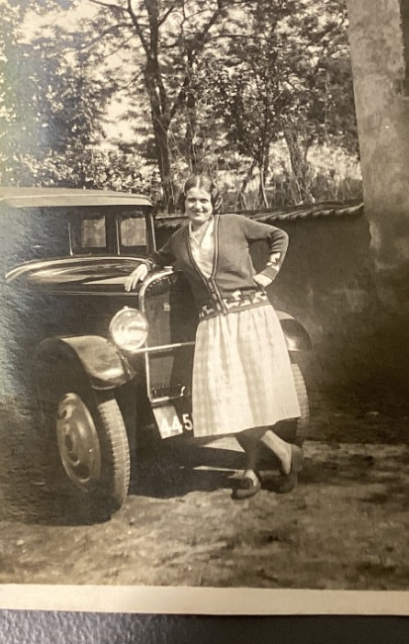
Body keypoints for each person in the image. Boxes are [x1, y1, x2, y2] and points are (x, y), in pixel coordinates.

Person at [126, 175, 302, 499]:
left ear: (214, 203)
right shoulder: (180, 239)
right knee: (225, 402)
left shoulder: (234, 224)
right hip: (213, 325)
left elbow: (279, 235)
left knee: (250, 397)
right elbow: (161, 256)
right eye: (192, 200)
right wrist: (143, 266)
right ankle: (284, 451)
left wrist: (268, 273)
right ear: (184, 204)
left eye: (204, 200)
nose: (198, 206)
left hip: (248, 318)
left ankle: (251, 470)